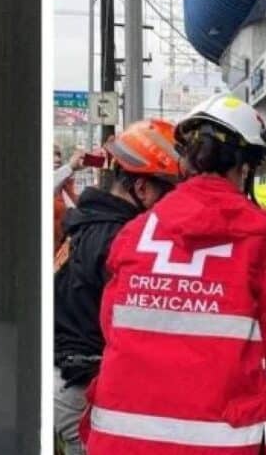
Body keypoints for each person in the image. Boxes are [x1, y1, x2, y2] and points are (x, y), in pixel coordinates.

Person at [82, 94, 266, 454]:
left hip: (119, 437)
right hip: (220, 442)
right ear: (246, 167)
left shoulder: (136, 232)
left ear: (186, 159)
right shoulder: (263, 236)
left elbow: (112, 325)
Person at [54, 119, 181, 455]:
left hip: (74, 382)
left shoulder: (89, 224)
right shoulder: (122, 241)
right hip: (88, 390)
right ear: (142, 189)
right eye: (172, 192)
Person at [54, 146, 83, 252]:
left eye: (58, 154)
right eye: (52, 154)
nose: (57, 159)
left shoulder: (66, 185)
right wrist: (70, 167)